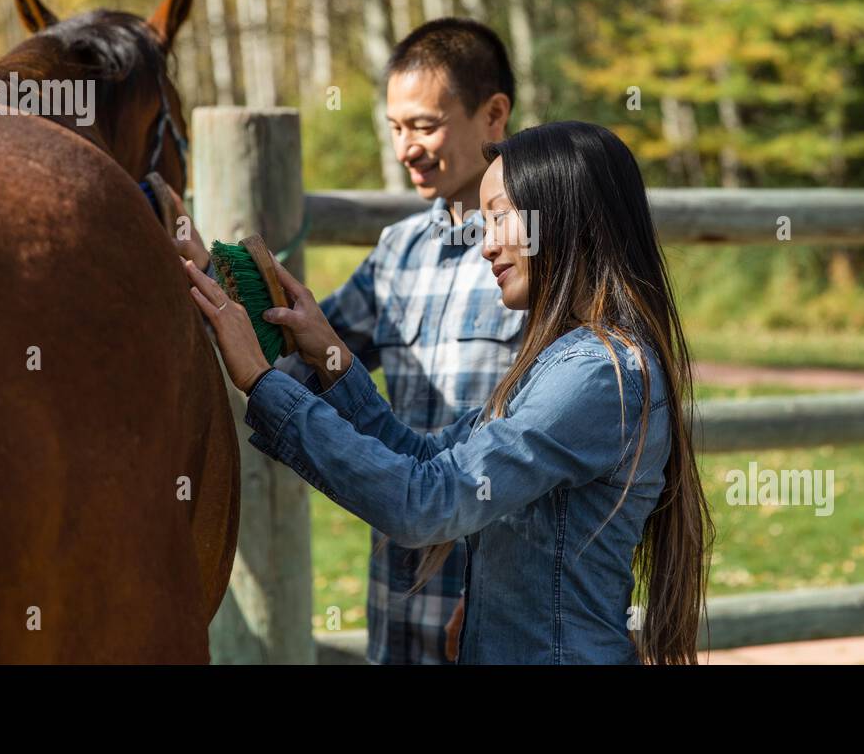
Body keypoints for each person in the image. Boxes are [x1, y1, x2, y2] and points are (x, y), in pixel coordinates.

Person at [183, 121, 714, 664]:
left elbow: (427, 503)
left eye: (501, 216)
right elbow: (427, 460)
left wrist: (261, 382)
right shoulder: (562, 362)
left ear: (566, 213)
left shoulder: (596, 374)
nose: (487, 246)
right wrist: (330, 355)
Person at [178, 18, 524, 665]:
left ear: (494, 115)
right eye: (394, 128)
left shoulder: (537, 260)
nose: (406, 148)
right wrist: (209, 276)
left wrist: (493, 599)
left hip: (491, 605)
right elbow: (305, 355)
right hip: (396, 600)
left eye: (424, 125)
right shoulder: (397, 252)